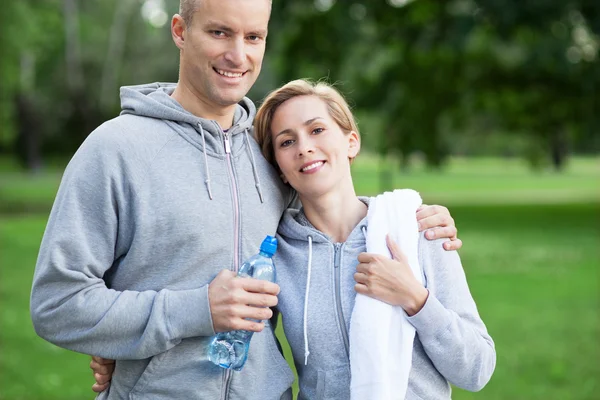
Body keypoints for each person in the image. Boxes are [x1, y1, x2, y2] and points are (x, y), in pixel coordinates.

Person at [31, 1, 461, 399]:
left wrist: (405, 217)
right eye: (220, 33)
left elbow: (327, 214)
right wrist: (189, 312)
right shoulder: (115, 149)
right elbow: (57, 305)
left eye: (253, 37)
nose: (238, 55)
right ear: (180, 31)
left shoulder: (270, 150)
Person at [253, 79, 496, 398]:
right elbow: (260, 366)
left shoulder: (416, 228)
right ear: (281, 169)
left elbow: (477, 368)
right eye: (286, 142)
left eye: (317, 130)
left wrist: (415, 299)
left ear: (351, 141)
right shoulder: (275, 252)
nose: (304, 147)